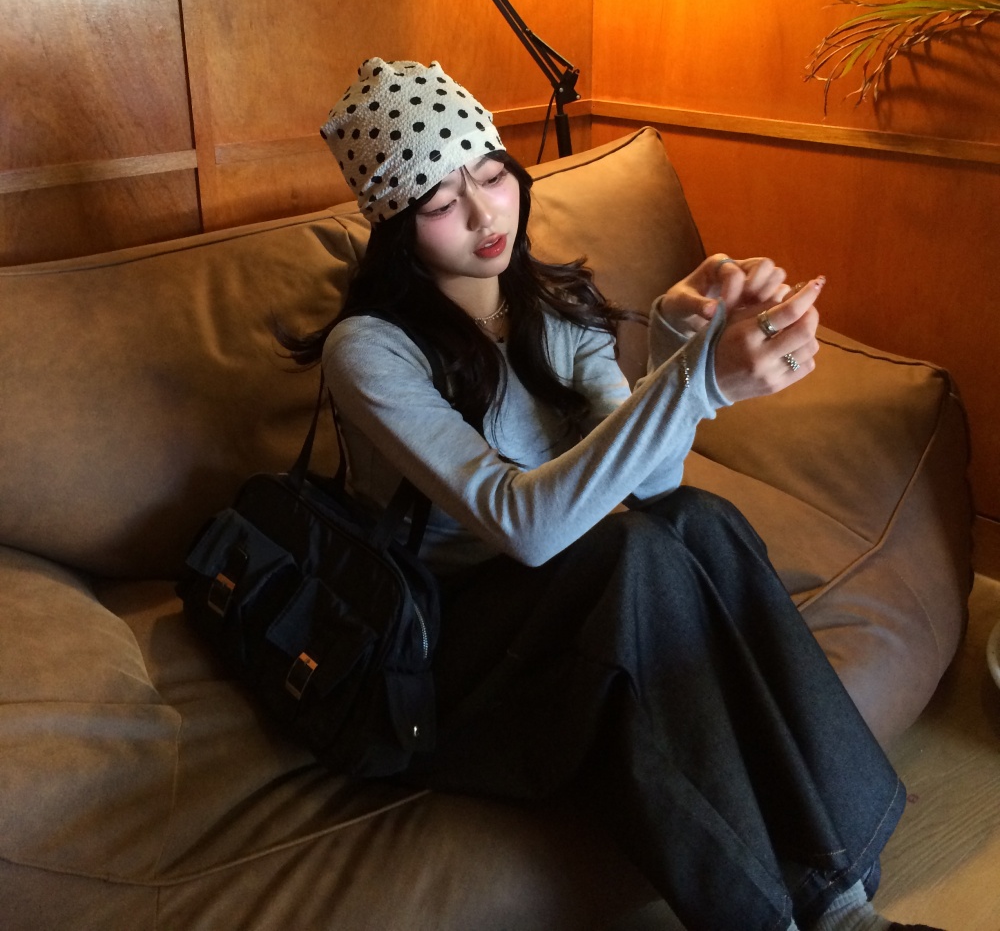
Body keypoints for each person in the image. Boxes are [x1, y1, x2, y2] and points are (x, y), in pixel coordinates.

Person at [284, 56, 942, 931]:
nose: (485, 213)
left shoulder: (554, 306)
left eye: (491, 173)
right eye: (440, 200)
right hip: (447, 652)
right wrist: (697, 384)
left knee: (697, 520)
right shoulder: (371, 350)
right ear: (396, 227)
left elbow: (657, 484)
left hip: (563, 617)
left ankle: (841, 907)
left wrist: (674, 344)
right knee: (632, 554)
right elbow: (523, 523)